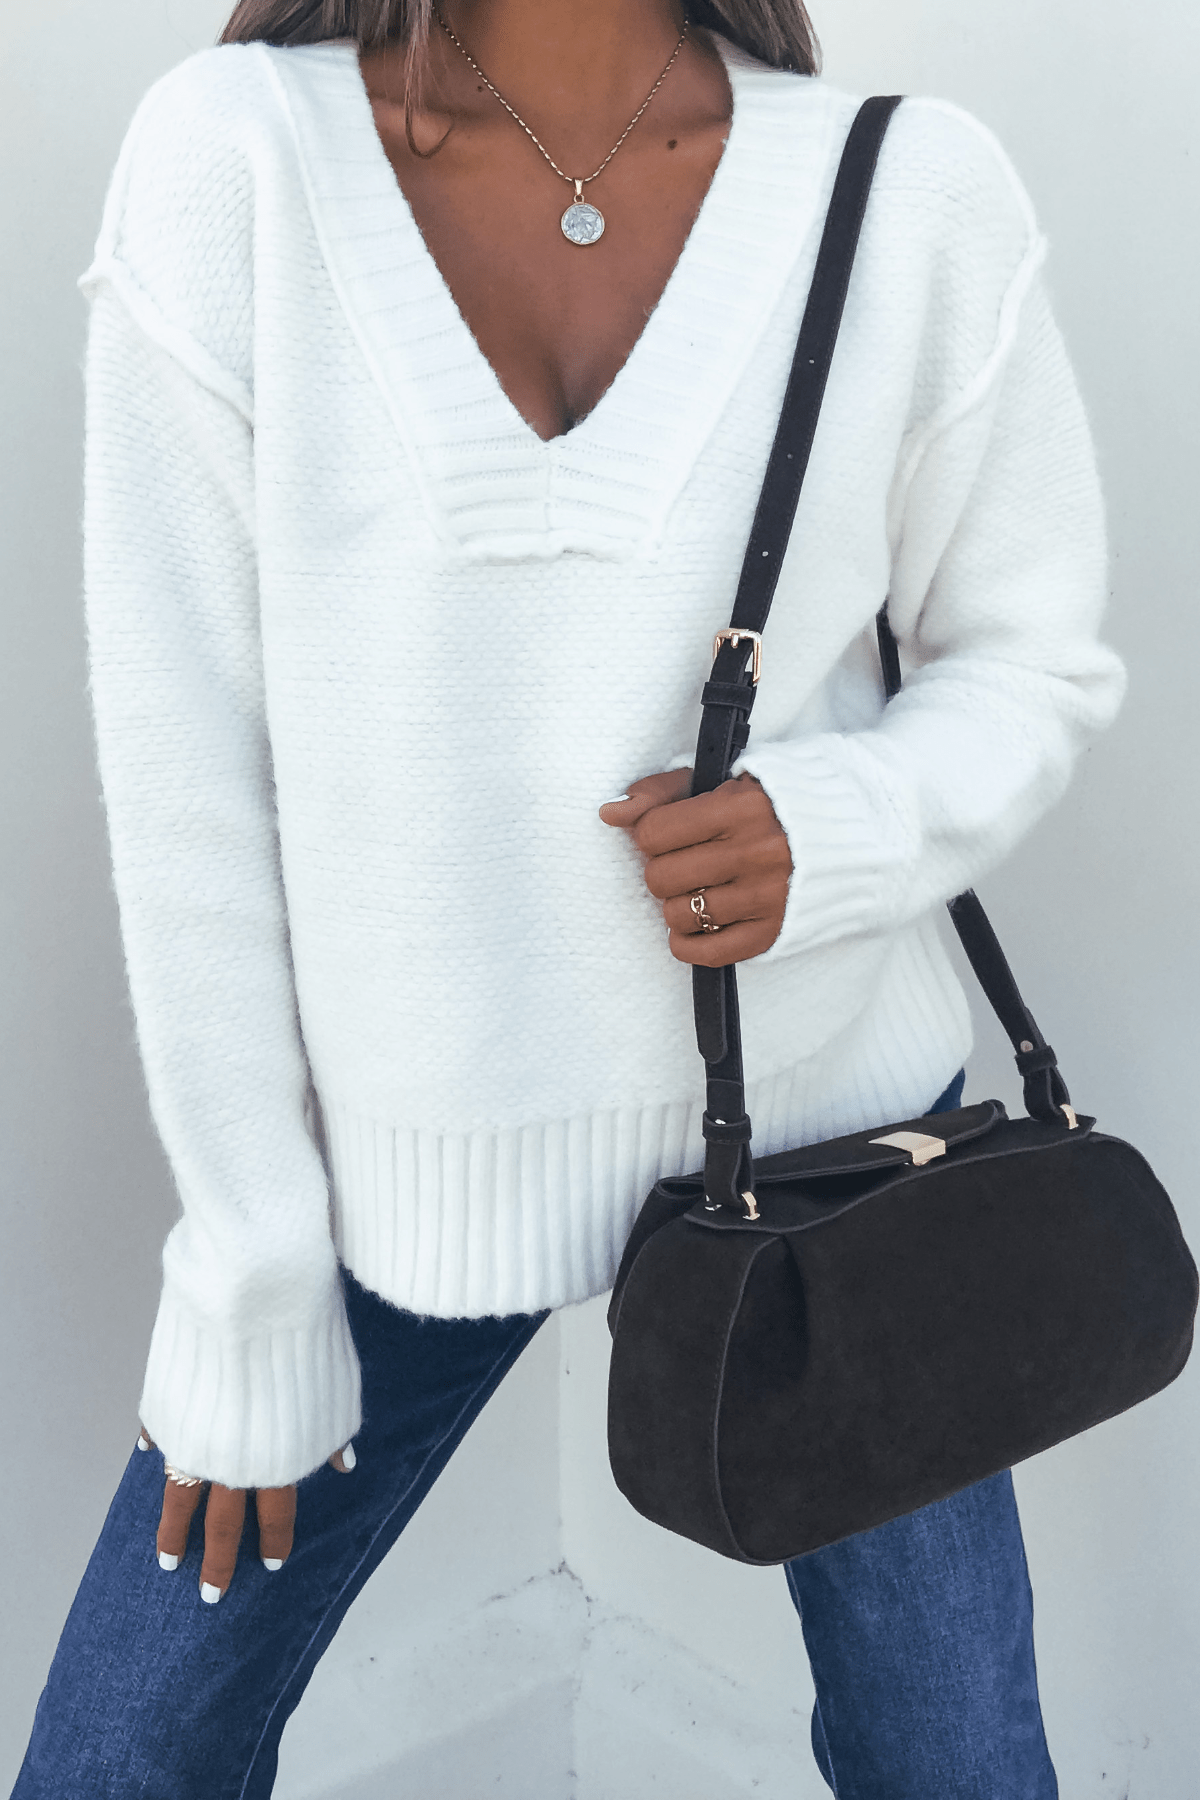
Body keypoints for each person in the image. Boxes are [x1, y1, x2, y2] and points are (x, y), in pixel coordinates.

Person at [13, 0, 1126, 1793]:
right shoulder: (233, 160)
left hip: (841, 1150)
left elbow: (1032, 660)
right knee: (119, 1759)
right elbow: (187, 780)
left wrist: (833, 829)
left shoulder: (905, 190)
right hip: (388, 1184)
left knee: (958, 1763)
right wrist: (248, 1265)